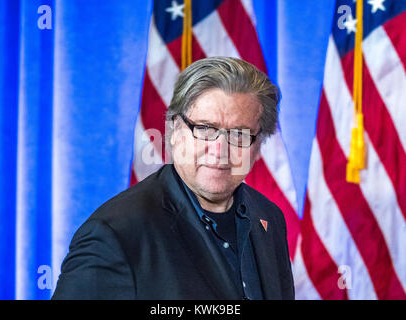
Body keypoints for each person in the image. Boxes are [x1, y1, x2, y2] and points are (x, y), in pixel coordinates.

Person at [52, 56, 295, 300]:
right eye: (205, 129)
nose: (220, 151)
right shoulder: (116, 234)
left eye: (239, 134)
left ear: (258, 144)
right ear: (175, 130)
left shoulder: (269, 217)